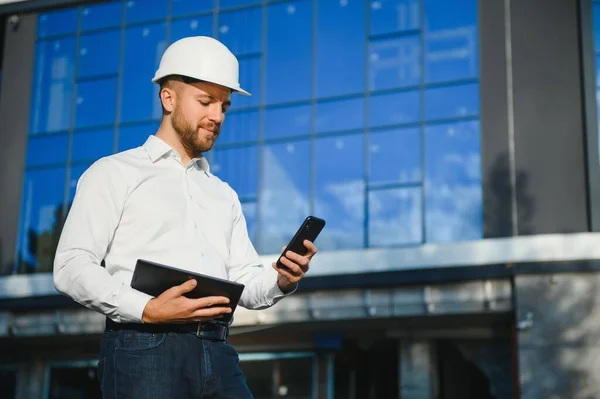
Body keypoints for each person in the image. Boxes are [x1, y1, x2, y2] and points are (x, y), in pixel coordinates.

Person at [53, 36, 318, 399]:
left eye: (224, 105)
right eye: (206, 102)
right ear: (168, 98)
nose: (217, 116)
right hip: (143, 349)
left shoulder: (223, 194)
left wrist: (281, 279)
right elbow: (70, 265)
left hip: (218, 352)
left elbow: (244, 279)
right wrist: (147, 308)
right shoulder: (113, 172)